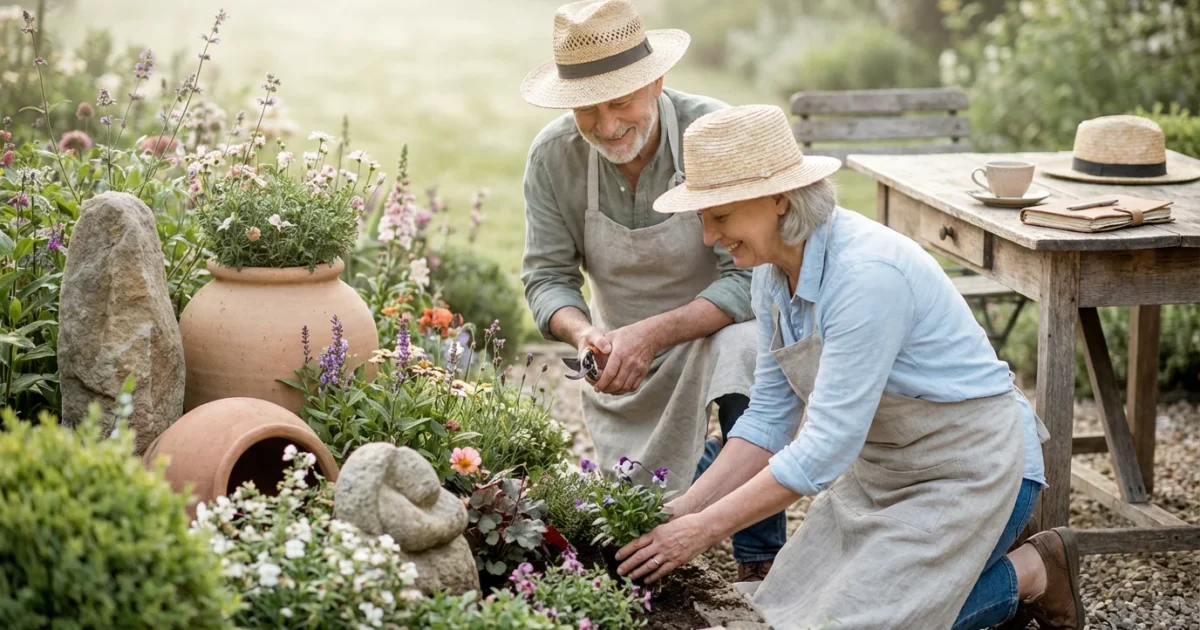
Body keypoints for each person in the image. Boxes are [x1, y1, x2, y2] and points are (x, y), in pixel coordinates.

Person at [615, 104, 1085, 630]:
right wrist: (684, 510)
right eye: (703, 218)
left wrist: (702, 532)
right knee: (783, 610)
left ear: (779, 198)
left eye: (720, 216)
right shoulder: (771, 276)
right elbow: (768, 420)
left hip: (975, 472)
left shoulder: (865, 276)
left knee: (861, 622)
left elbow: (824, 450)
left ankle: (1035, 569)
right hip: (883, 474)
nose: (708, 236)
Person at [518, 0, 785, 578]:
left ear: (656, 80)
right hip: (622, 358)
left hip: (715, 329)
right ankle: (728, 469)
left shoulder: (709, 133)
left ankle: (760, 557)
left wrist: (656, 333)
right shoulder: (553, 157)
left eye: (620, 102)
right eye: (587, 110)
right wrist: (585, 334)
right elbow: (547, 277)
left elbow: (751, 275)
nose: (607, 125)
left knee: (747, 351)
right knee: (635, 517)